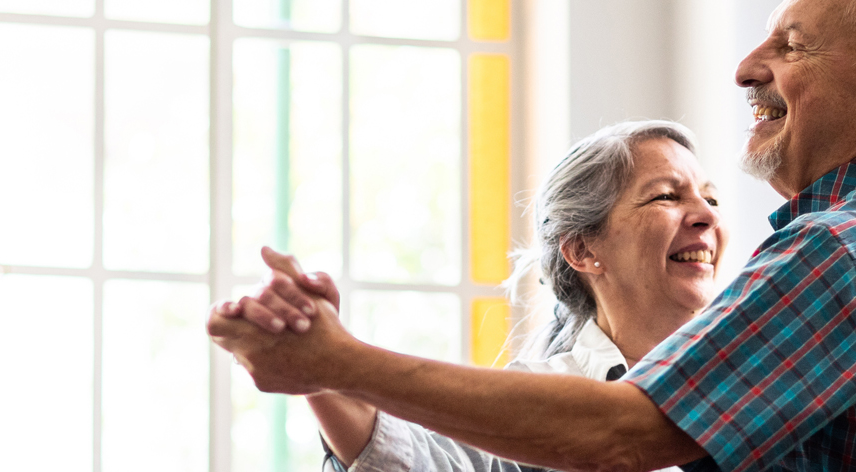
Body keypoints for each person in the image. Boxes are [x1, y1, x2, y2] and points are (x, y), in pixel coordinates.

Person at [211, 0, 856, 470]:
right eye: (665, 196)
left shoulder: (849, 250)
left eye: (790, 46)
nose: (746, 66)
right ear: (584, 249)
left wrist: (336, 361)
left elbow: (621, 433)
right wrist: (328, 374)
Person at [217, 120, 731, 471]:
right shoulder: (534, 396)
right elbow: (420, 462)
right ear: (582, 249)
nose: (705, 214)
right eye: (667, 195)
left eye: (709, 197)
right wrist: (318, 367)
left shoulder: (758, 373)